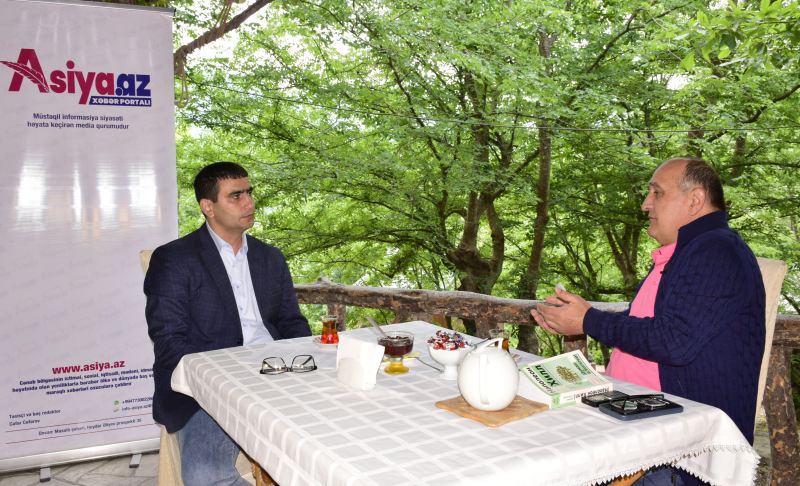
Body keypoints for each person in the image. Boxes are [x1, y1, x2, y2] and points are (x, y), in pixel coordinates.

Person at [532, 157, 765, 484]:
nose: (646, 204)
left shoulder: (716, 251)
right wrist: (574, 317)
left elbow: (674, 341)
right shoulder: (684, 254)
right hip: (633, 418)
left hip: (674, 453)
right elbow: (648, 326)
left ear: (695, 200)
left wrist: (588, 320)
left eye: (657, 193)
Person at [144, 161, 310, 485]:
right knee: (206, 477)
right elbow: (169, 342)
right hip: (208, 389)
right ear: (208, 207)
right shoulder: (175, 259)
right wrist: (226, 381)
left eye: (249, 192)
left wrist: (302, 361)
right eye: (236, 196)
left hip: (278, 374)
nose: (249, 202)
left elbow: (292, 323)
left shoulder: (270, 257)